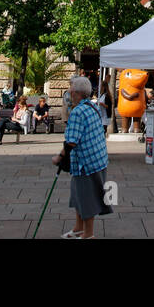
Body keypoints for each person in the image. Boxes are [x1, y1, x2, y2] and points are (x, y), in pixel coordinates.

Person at [53, 75, 111, 239]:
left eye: (71, 90)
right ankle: (79, 228)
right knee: (77, 195)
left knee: (86, 199)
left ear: (77, 93)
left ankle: (88, 234)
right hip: (97, 160)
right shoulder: (92, 107)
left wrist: (59, 157)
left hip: (87, 163)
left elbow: (71, 141)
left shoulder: (78, 112)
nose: (70, 93)